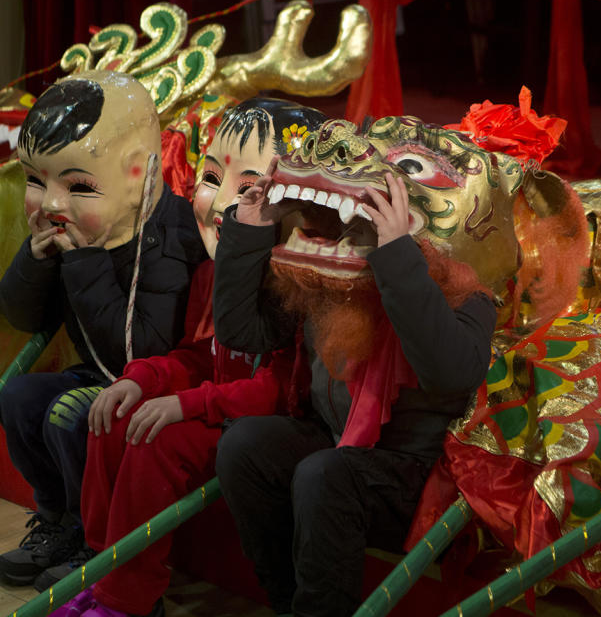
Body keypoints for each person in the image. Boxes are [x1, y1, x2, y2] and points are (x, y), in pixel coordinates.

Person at [49, 98, 327, 617]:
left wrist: (186, 406)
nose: (222, 202)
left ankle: (127, 600)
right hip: (215, 409)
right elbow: (199, 356)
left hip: (260, 427)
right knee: (112, 419)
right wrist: (142, 379)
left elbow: (278, 390)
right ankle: (104, 567)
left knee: (157, 438)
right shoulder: (210, 275)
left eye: (248, 190)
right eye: (212, 177)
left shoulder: (300, 287)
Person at [211, 119, 499, 616]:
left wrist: (396, 254)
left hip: (417, 474)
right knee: (245, 446)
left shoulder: (471, 295)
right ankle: (287, 602)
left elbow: (450, 372)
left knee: (327, 476)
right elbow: (245, 333)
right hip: (338, 443)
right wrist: (251, 224)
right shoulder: (329, 272)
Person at [0, 70, 207, 590]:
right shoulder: (70, 233)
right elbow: (22, 316)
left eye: (78, 185)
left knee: (72, 414)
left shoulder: (171, 236)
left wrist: (84, 265)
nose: (51, 205)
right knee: (19, 397)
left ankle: (98, 535)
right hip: (97, 372)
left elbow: (142, 348)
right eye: (36, 181)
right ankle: (58, 518)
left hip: (158, 382)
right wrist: (36, 262)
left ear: (138, 176)